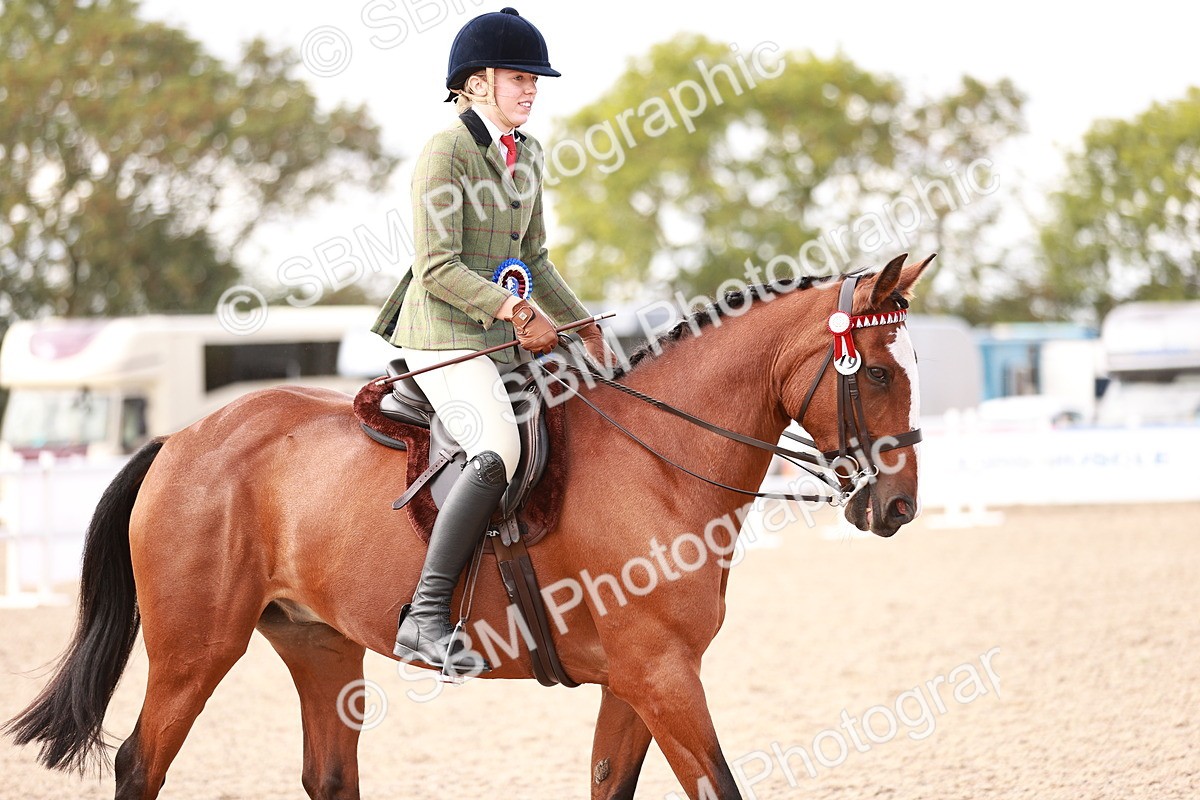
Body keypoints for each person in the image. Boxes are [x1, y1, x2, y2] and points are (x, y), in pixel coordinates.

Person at [371, 7, 613, 673]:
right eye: (518, 78)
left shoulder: (528, 155)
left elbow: (534, 258)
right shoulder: (445, 152)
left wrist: (584, 326)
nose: (531, 90)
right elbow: (437, 267)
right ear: (477, 83)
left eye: (535, 80)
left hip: (500, 333)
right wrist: (515, 310)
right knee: (499, 443)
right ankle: (425, 615)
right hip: (442, 332)